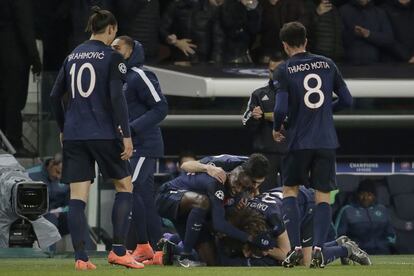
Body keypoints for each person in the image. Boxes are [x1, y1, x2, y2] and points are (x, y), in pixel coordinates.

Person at [50, 7, 142, 270]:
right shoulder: (113, 58)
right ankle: (119, 251)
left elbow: (54, 96)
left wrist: (62, 127)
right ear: (111, 29)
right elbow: (116, 98)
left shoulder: (71, 57)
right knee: (125, 187)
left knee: (77, 196)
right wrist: (125, 134)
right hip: (103, 132)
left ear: (92, 28)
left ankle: (80, 258)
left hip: (75, 135)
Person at [271, 21, 353, 268]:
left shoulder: (284, 70)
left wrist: (277, 127)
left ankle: (295, 248)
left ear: (285, 46)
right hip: (326, 140)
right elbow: (347, 100)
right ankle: (318, 249)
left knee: (290, 190)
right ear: (306, 41)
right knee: (323, 197)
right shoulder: (327, 64)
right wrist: (327, 111)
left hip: (298, 140)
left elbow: (280, 108)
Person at [111, 35, 168, 262]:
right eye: (111, 47)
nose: (113, 50)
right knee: (142, 196)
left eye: (118, 47)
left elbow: (161, 108)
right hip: (130, 146)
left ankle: (143, 245)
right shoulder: (117, 77)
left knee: (128, 187)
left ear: (131, 50)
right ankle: (157, 248)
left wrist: (131, 130)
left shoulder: (140, 75)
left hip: (144, 145)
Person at [155, 167, 276, 267]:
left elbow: (221, 220)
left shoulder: (239, 195)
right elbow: (219, 224)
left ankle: (172, 248)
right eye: (238, 183)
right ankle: (184, 255)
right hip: (169, 196)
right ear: (229, 174)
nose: (238, 188)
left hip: (194, 215)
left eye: (243, 187)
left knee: (212, 263)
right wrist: (250, 238)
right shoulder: (216, 181)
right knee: (203, 202)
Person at [0, 0, 42, 157]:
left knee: (4, 100)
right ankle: (14, 143)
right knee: (14, 100)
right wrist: (34, 57)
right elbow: (24, 24)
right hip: (14, 52)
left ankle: (4, 141)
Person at [242, 55, 288, 192]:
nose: (274, 75)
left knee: (295, 196)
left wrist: (281, 117)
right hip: (266, 155)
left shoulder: (299, 94)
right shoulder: (258, 94)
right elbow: (246, 123)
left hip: (291, 152)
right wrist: (254, 117)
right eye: (271, 71)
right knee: (264, 196)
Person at [336, 179, 396, 255]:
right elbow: (339, 235)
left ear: (374, 196)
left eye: (369, 195)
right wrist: (351, 247)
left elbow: (391, 234)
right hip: (357, 252)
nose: (365, 198)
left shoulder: (382, 210)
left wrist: (385, 244)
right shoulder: (347, 210)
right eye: (362, 194)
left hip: (382, 250)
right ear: (357, 195)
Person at [27, 153, 70, 241]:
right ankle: (49, 253)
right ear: (51, 164)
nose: (59, 177)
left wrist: (60, 210)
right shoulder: (30, 174)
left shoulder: (67, 179)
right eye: (57, 172)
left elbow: (70, 204)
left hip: (56, 214)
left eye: (63, 174)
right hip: (33, 215)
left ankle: (85, 251)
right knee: (50, 220)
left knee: (77, 219)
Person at [339, 0, 393, 64]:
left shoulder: (379, 12)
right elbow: (337, 37)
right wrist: (352, 33)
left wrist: (368, 34)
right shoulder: (343, 10)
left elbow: (389, 39)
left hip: (374, 63)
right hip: (347, 63)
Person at [180, 153, 269, 187]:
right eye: (253, 182)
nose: (255, 187)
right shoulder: (224, 162)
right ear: (245, 174)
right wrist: (208, 168)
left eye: (259, 183)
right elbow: (185, 165)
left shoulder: (259, 167)